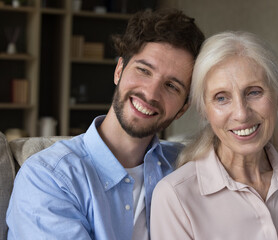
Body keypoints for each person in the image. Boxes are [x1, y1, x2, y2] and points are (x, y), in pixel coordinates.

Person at [6, 8, 204, 240]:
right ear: (119, 70)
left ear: (183, 108)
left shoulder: (188, 167)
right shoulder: (47, 178)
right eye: (143, 70)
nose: (151, 93)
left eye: (172, 86)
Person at [150, 31, 278, 240]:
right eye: (221, 98)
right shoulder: (175, 196)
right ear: (204, 111)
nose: (242, 114)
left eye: (254, 92)